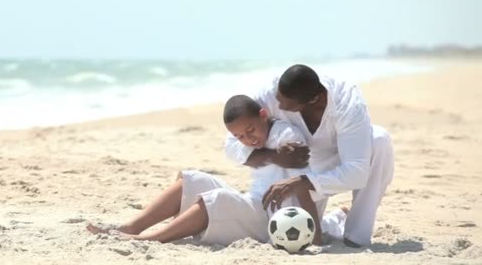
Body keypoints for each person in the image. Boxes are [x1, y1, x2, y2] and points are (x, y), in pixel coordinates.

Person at [87, 94, 338, 246]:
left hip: (275, 220)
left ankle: (149, 240)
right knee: (191, 178)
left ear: (263, 115)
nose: (248, 139)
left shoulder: (288, 136)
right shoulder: (255, 145)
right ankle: (131, 228)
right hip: (253, 203)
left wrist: (313, 234)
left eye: (251, 130)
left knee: (219, 199)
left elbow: (305, 182)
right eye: (240, 136)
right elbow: (242, 153)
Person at [225, 64, 395, 247]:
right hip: (297, 167)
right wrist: (274, 156)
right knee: (300, 226)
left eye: (287, 105)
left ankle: (356, 236)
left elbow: (357, 173)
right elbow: (231, 146)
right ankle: (337, 218)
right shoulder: (272, 95)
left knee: (379, 139)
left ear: (315, 100)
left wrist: (305, 181)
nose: (279, 106)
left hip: (336, 165)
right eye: (278, 99)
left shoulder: (348, 103)